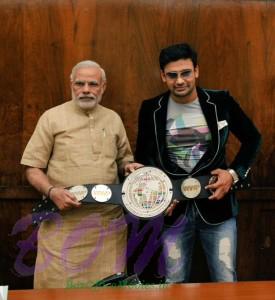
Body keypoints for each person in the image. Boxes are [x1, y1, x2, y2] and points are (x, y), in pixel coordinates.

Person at [135, 43, 262, 283]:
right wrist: (159, 195)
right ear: (163, 76)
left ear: (196, 71)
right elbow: (145, 158)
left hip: (218, 210)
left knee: (225, 278)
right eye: (172, 75)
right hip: (173, 212)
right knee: (173, 281)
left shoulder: (221, 101)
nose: (180, 80)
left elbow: (253, 138)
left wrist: (233, 174)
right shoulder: (151, 109)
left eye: (185, 73)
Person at [21, 60, 142, 288]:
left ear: (103, 87)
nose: (86, 89)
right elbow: (32, 168)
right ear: (71, 85)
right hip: (62, 225)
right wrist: (52, 191)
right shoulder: (51, 117)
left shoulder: (113, 119)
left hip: (107, 228)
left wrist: (129, 168)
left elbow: (124, 161)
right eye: (80, 83)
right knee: (56, 291)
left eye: (93, 84)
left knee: (107, 291)